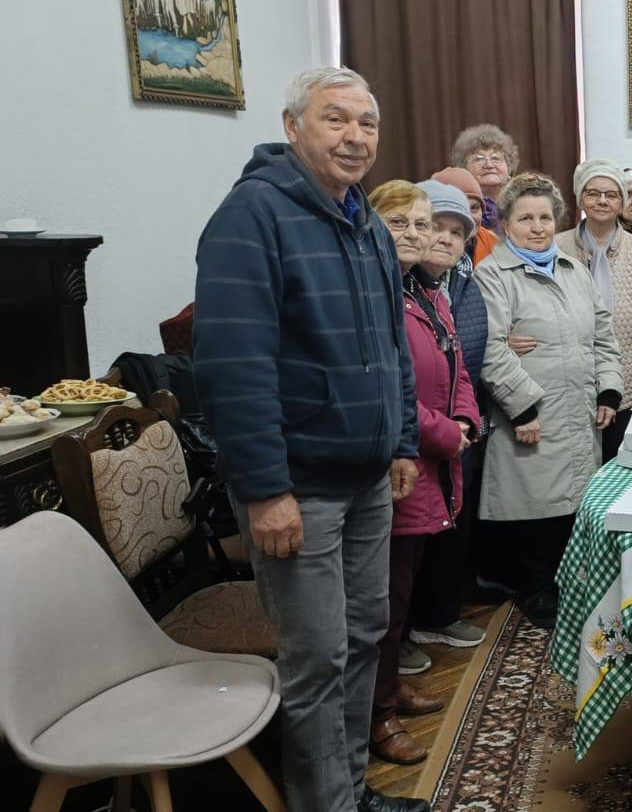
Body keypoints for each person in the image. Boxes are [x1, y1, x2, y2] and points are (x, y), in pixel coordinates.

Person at [193, 67, 428, 812]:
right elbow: (233, 367)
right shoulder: (251, 216)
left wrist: (401, 441)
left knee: (363, 636)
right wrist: (266, 491)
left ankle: (349, 791)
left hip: (366, 478)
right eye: (336, 119)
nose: (356, 137)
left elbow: (392, 348)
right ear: (293, 127)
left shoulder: (366, 222)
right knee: (318, 658)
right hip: (298, 488)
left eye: (368, 123)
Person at [364, 181, 480, 767]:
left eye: (422, 223)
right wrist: (443, 434)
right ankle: (376, 715)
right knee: (384, 599)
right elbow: (388, 388)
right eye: (399, 223)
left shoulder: (426, 291)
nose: (416, 234)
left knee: (402, 590)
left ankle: (388, 688)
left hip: (432, 458)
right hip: (400, 460)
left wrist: (464, 419)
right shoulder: (373, 292)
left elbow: (457, 367)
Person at [475, 173, 624, 628]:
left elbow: (604, 336)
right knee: (534, 505)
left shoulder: (574, 270)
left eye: (545, 217)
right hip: (530, 414)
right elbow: (490, 348)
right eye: (526, 218)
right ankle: (536, 588)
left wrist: (608, 389)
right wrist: (522, 408)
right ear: (505, 223)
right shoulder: (492, 275)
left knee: (573, 502)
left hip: (579, 409)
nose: (537, 227)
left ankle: (570, 584)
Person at [405, 178, 492, 667]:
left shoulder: (451, 287)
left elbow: (462, 356)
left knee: (451, 527)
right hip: (414, 433)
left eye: (457, 232)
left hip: (456, 425)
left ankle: (438, 615)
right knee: (410, 540)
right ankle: (403, 634)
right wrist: (442, 428)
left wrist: (462, 420)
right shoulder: (396, 288)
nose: (444, 238)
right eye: (434, 226)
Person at [555, 159, 632, 460]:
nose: (602, 201)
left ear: (620, 202)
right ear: (580, 199)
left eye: (611, 194)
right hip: (569, 384)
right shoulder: (557, 248)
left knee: (621, 469)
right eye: (593, 193)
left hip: (629, 386)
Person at [449, 123, 519, 233]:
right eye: (478, 159)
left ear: (509, 168)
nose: (489, 165)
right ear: (464, 169)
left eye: (495, 158)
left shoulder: (522, 204)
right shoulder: (459, 210)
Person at [431, 165, 497, 266]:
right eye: (460, 209)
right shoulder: (417, 250)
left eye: (474, 208)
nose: (469, 217)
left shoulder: (494, 244)